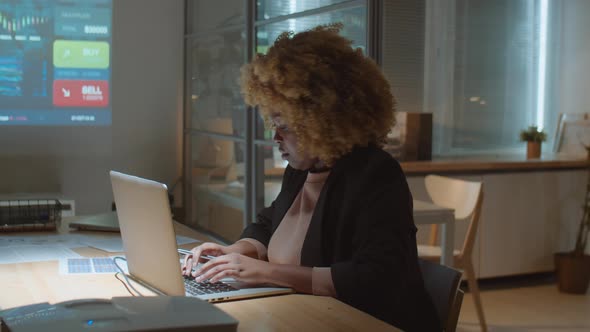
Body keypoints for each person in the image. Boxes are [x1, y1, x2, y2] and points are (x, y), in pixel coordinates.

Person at [182, 23, 440, 331]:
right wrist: (236, 251)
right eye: (272, 123)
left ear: (325, 121)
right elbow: (270, 223)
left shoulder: (375, 173)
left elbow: (375, 277)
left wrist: (265, 272)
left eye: (286, 126)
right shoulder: (302, 169)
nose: (275, 137)